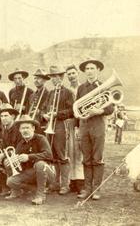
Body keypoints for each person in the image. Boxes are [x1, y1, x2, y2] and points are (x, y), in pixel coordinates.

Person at [77, 58, 114, 200]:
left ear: (98, 70)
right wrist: (77, 126)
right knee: (86, 158)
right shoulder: (81, 88)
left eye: (92, 68)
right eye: (87, 69)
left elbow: (110, 108)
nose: (89, 71)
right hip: (84, 125)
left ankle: (97, 189)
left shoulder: (104, 86)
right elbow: (77, 107)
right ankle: (87, 189)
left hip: (98, 124)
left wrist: (99, 111)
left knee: (97, 158)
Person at [4, 115, 55, 205]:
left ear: (33, 128)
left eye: (27, 128)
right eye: (22, 128)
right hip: (31, 174)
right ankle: (20, 191)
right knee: (10, 181)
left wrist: (29, 157)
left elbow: (49, 155)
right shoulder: (21, 144)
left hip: (47, 172)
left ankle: (40, 196)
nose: (25, 130)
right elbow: (19, 166)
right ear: (19, 130)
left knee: (40, 164)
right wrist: (12, 162)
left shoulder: (41, 138)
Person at [43, 65, 74, 195]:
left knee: (62, 155)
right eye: (52, 77)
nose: (53, 80)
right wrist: (44, 115)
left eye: (56, 77)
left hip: (60, 125)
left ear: (61, 77)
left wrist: (57, 114)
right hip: (50, 125)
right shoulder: (50, 93)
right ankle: (55, 183)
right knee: (53, 155)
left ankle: (65, 185)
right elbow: (44, 108)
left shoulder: (67, 92)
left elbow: (71, 111)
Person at [65, 64, 84, 194]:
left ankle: (81, 182)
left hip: (81, 122)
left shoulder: (82, 88)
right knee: (70, 152)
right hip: (70, 123)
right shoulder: (66, 90)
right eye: (69, 74)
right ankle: (72, 181)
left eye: (73, 73)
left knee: (79, 153)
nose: (71, 76)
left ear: (77, 73)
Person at [27, 69, 50, 133]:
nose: (36, 80)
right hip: (32, 125)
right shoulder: (32, 95)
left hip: (42, 125)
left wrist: (39, 112)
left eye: (39, 78)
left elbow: (48, 111)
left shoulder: (48, 94)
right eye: (35, 78)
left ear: (44, 80)